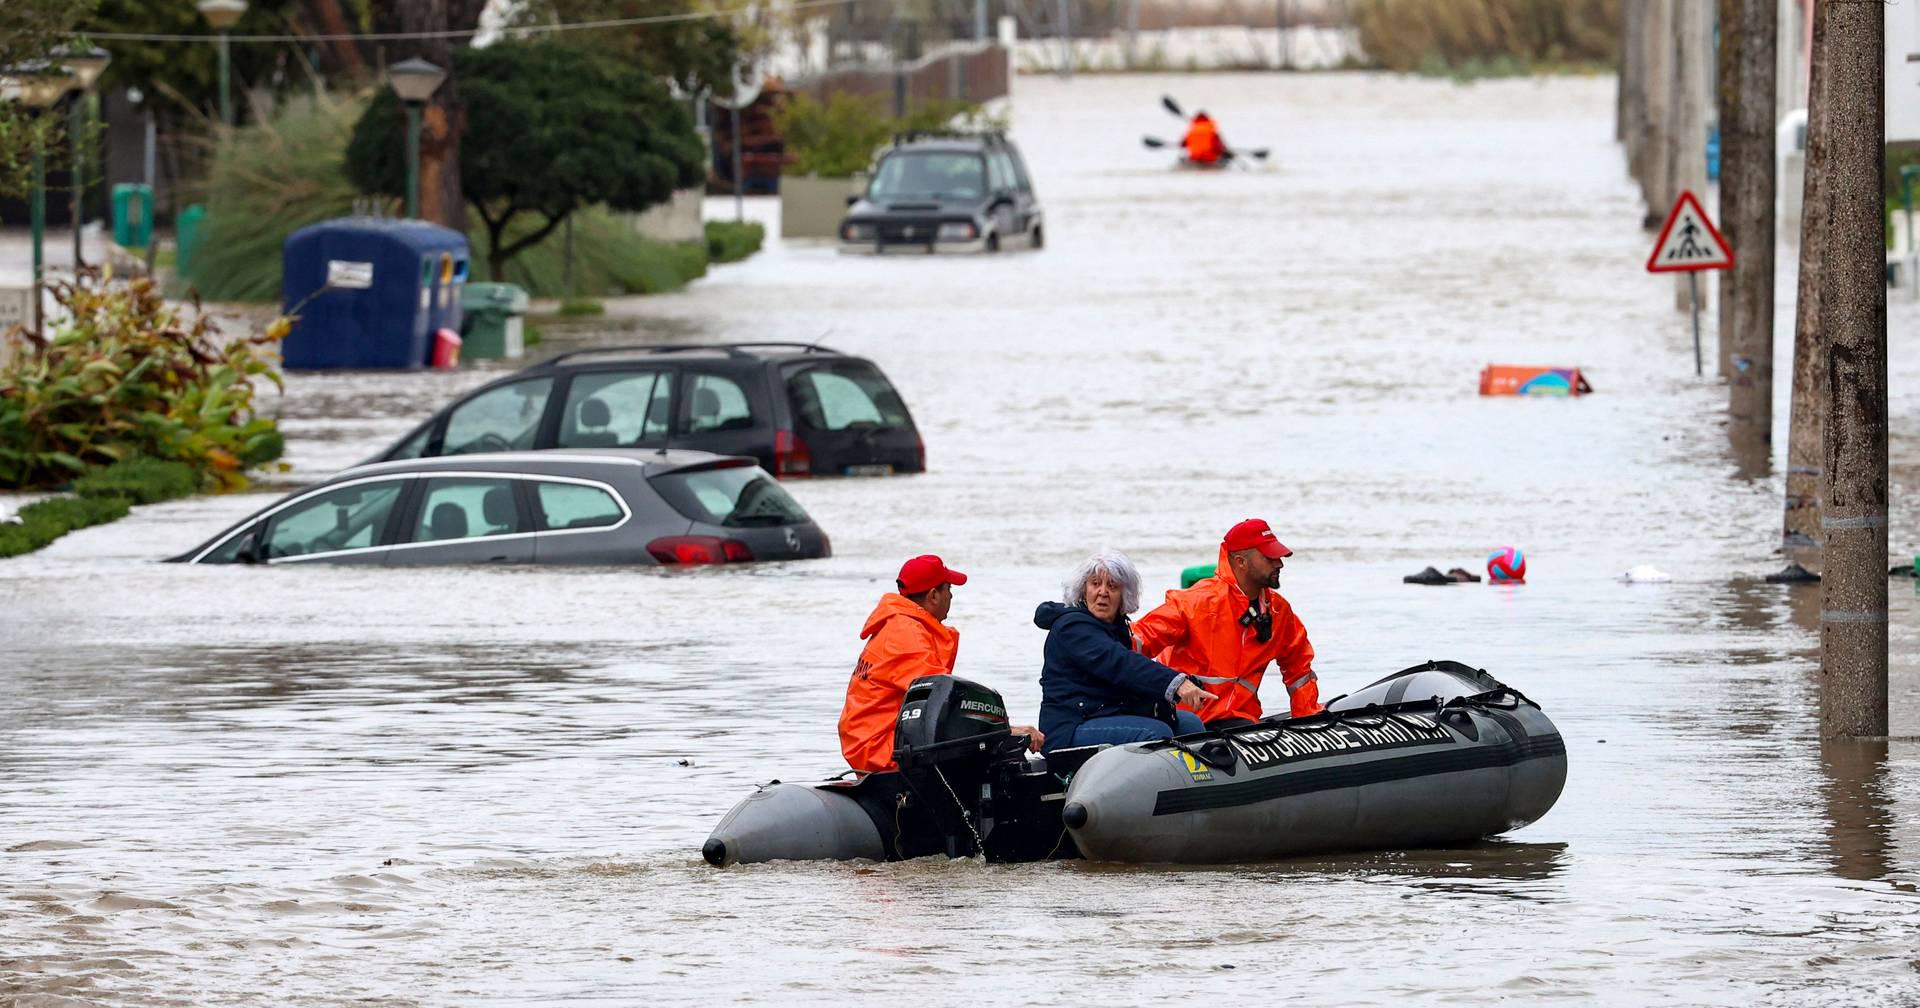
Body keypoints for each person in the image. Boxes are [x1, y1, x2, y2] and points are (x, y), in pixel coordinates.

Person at [838, 554, 1043, 773]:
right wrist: (1006, 732)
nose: (951, 596)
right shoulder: (906, 635)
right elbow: (942, 702)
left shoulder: (898, 625)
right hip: (879, 749)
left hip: (872, 742)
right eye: (949, 589)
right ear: (934, 595)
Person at [1133, 519, 1322, 728]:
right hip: (1185, 722)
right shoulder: (1196, 603)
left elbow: (1299, 669)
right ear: (1241, 561)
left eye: (1278, 557)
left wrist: (1309, 722)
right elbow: (1137, 642)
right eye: (1270, 558)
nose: (1279, 563)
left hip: (1240, 722)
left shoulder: (1278, 611)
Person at [1035, 549, 1214, 751]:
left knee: (1190, 724)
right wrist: (1176, 683)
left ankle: (1200, 781)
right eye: (1095, 584)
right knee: (1155, 732)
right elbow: (1121, 663)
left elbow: (1130, 676)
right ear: (1083, 590)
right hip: (1070, 727)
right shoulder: (1073, 627)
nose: (1103, 592)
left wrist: (1183, 685)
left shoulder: (1115, 627)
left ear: (1124, 595)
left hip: (1105, 714)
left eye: (1112, 586)